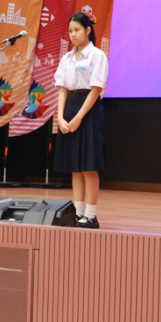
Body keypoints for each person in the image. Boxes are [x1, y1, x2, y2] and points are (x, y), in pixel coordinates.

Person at [53, 12, 108, 228]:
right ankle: (77, 213)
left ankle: (91, 216)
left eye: (77, 30)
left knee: (88, 165)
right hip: (70, 107)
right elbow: (62, 90)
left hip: (88, 110)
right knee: (75, 166)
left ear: (88, 30)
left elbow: (96, 89)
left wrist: (78, 118)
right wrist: (60, 117)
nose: (73, 34)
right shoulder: (66, 58)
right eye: (70, 31)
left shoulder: (97, 56)